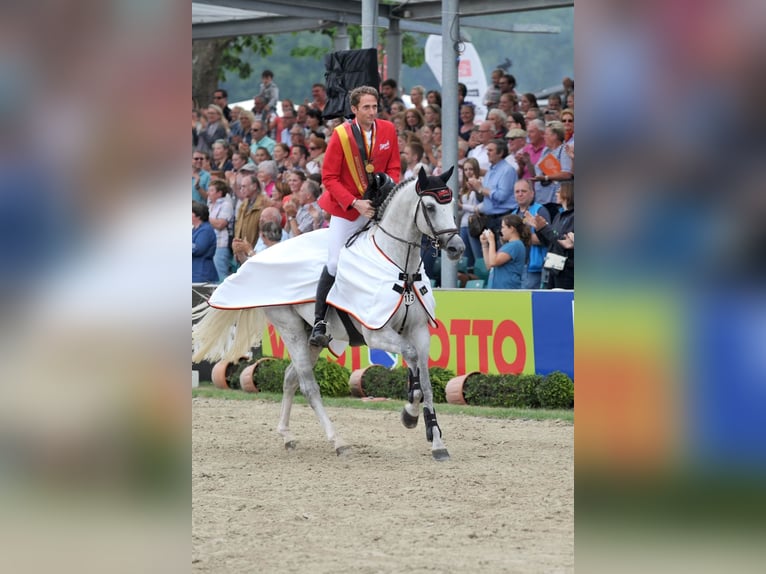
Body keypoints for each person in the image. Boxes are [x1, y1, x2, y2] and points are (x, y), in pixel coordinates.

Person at [310, 85, 401, 347]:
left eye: (375, 107)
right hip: (347, 208)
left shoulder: (388, 130)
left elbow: (394, 166)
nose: (372, 112)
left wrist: (388, 185)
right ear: (354, 109)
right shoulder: (341, 135)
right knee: (335, 263)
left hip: (379, 206)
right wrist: (355, 203)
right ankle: (320, 321)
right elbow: (329, 177)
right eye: (366, 107)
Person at [524, 181, 574, 289]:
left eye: (559, 191)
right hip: (552, 268)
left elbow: (564, 241)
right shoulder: (558, 216)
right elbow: (548, 241)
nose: (556, 193)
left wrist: (544, 228)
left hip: (567, 270)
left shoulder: (574, 216)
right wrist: (538, 228)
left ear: (568, 194)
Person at [467, 139, 517, 237]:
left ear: (500, 153)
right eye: (487, 150)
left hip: (502, 219)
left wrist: (480, 188)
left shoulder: (507, 170)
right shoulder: (490, 170)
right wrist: (476, 189)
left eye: (490, 150)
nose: (487, 153)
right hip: (489, 219)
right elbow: (485, 196)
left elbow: (501, 196)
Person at [511, 179, 550, 289]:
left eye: (523, 191)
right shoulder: (513, 214)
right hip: (516, 267)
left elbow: (545, 238)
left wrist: (518, 238)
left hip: (534, 267)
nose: (520, 194)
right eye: (517, 192)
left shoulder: (540, 210)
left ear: (532, 194)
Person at [480, 214, 531, 289]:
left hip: (508, 289)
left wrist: (491, 241)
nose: (501, 230)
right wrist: (484, 245)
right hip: (498, 289)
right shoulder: (509, 245)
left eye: (503, 227)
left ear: (511, 229)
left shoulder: (515, 245)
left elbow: (493, 261)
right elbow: (489, 265)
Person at [530, 120, 573, 205]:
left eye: (546, 134)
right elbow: (538, 171)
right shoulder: (545, 151)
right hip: (541, 198)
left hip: (554, 200)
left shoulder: (564, 150)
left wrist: (546, 178)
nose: (544, 137)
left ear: (554, 136)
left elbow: (567, 173)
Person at [231, 174, 267, 265]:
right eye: (240, 187)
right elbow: (238, 227)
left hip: (257, 251)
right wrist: (237, 249)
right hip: (242, 252)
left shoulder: (264, 203)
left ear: (254, 186)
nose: (241, 190)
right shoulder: (244, 204)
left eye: (244, 186)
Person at [206, 180, 234, 282]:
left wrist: (204, 217)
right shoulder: (209, 204)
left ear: (219, 193)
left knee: (221, 274)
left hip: (221, 244)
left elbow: (220, 224)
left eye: (211, 190)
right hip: (210, 245)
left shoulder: (226, 204)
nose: (208, 192)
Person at [457, 158, 482, 271]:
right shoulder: (464, 187)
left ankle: (481, 277)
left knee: (477, 255)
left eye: (471, 169)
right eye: (466, 169)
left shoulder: (480, 183)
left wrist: (462, 206)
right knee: (466, 257)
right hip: (463, 224)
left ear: (476, 169)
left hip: (475, 223)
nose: (468, 172)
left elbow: (478, 208)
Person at [192, 201, 218, 283]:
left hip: (202, 273)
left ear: (198, 216)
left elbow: (198, 249)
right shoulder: (195, 229)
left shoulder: (206, 230)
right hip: (194, 272)